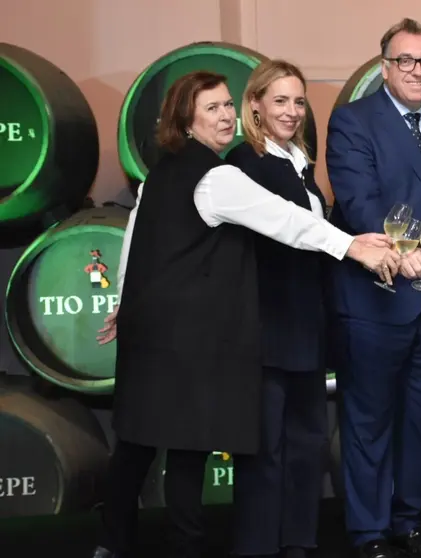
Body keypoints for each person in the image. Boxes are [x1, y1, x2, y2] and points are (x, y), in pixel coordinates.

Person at [90, 70, 398, 558]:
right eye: (212, 108)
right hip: (188, 338)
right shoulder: (218, 178)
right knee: (186, 449)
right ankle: (184, 547)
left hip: (149, 335)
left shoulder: (158, 175)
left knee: (136, 444)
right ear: (186, 120)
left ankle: (112, 542)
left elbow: (134, 241)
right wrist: (353, 247)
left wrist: (125, 302)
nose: (225, 116)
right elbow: (287, 221)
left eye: (227, 106)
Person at [325, 17, 421, 558]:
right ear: (384, 67)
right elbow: (357, 200)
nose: (416, 69)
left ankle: (408, 521)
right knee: (368, 420)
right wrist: (401, 251)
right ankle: (369, 533)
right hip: (376, 297)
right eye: (405, 60)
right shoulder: (353, 120)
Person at [223, 59, 333, 558]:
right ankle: (259, 546)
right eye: (280, 101)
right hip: (264, 327)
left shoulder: (299, 162)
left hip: (306, 325)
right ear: (255, 105)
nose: (292, 111)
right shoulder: (244, 163)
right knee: (264, 449)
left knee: (307, 442)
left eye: (299, 102)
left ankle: (297, 542)